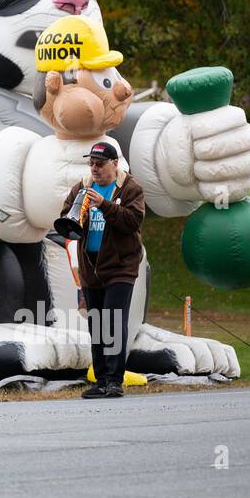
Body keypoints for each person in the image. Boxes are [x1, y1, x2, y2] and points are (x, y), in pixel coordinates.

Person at [60, 141, 146, 399]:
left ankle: (114, 380)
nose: (94, 169)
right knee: (96, 324)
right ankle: (99, 381)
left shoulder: (130, 187)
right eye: (92, 164)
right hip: (91, 266)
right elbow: (66, 216)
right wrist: (77, 213)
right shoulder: (83, 187)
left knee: (114, 322)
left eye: (100, 164)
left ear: (114, 164)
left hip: (120, 266)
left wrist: (104, 205)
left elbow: (132, 221)